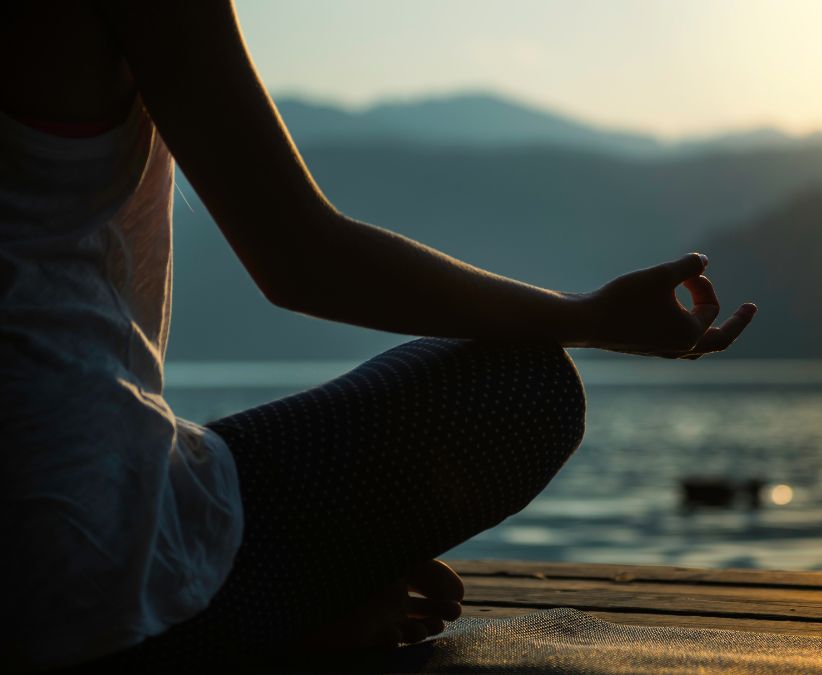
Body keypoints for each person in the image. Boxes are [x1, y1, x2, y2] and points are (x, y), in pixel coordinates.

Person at [0, 1, 757, 672]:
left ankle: (288, 589)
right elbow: (301, 259)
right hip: (70, 573)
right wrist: (589, 316)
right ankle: (281, 608)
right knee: (527, 386)